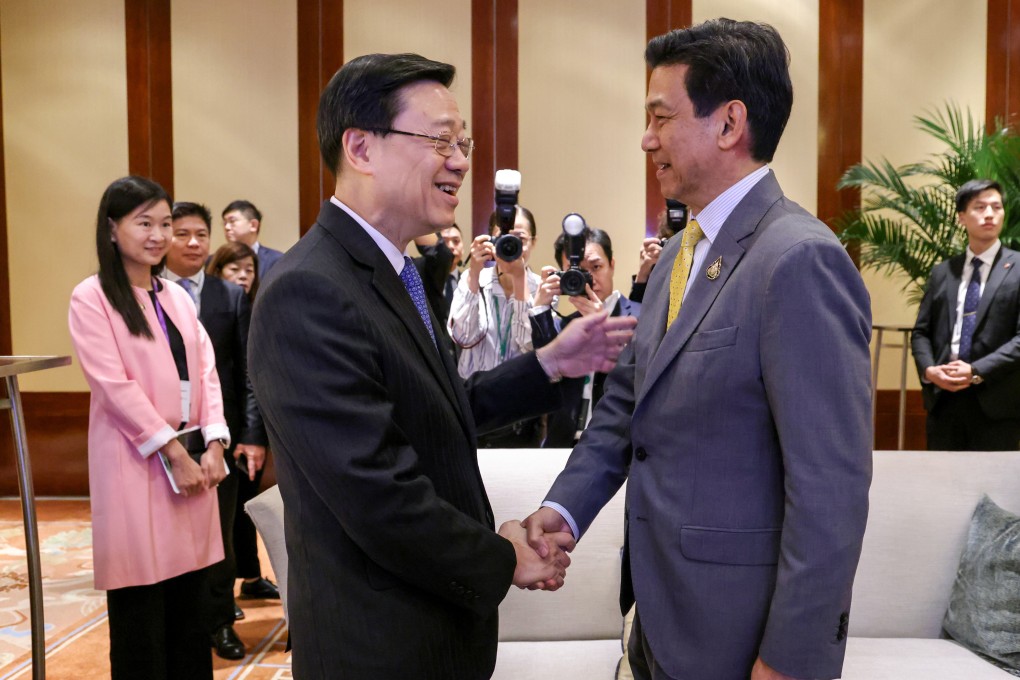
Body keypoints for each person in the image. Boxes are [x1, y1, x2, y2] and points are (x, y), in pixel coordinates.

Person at [246, 52, 636, 679]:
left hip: (436, 635)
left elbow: (435, 407)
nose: (460, 159)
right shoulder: (307, 290)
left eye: (464, 142)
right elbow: (379, 495)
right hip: (379, 647)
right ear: (360, 148)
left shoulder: (394, 271)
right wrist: (503, 558)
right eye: (439, 140)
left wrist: (547, 365)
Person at [522, 19, 873, 680]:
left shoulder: (799, 261)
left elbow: (830, 491)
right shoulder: (680, 255)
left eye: (660, 116)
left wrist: (792, 660)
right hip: (655, 614)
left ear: (729, 123)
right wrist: (563, 509)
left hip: (739, 634)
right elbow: (626, 411)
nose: (646, 139)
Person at [68, 176, 228, 679]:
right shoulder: (92, 297)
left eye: (165, 224)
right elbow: (113, 386)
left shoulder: (177, 297)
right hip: (137, 465)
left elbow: (205, 369)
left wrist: (216, 441)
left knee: (189, 607)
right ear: (113, 229)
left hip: (193, 462)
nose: (159, 236)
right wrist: (173, 453)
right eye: (145, 224)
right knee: (142, 608)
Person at [164, 201, 268, 659]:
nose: (191, 242)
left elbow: (246, 371)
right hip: (163, 432)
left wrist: (249, 433)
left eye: (199, 235)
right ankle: (178, 621)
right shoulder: (148, 295)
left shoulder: (229, 296)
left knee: (220, 534)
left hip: (217, 432)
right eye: (181, 233)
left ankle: (220, 621)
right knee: (168, 533)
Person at [911, 178, 1020, 450]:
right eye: (980, 207)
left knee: (993, 491)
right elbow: (921, 332)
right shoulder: (943, 272)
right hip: (944, 401)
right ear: (961, 217)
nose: (989, 214)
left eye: (996, 207)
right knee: (943, 487)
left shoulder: (1018, 268)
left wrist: (975, 370)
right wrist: (929, 370)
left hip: (996, 403)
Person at [206, 240, 282, 606]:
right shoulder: (208, 308)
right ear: (217, 272)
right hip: (218, 424)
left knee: (243, 508)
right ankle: (221, 598)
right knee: (222, 515)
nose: (242, 277)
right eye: (233, 270)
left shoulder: (257, 307)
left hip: (251, 422)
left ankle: (250, 577)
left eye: (249, 270)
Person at [530, 227, 641, 446]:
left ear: (612, 265)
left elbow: (639, 376)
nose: (589, 280)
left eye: (595, 267)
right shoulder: (562, 325)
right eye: (578, 272)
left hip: (616, 444)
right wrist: (540, 309)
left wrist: (605, 326)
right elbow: (545, 380)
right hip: (561, 444)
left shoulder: (641, 314)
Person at [449, 207, 544, 446]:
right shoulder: (474, 280)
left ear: (533, 242)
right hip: (473, 410)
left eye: (520, 239)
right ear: (491, 240)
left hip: (520, 418)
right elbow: (462, 336)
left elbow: (530, 346)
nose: (512, 246)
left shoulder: (541, 288)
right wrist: (473, 273)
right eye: (504, 237)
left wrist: (520, 279)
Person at [222, 199, 284, 277]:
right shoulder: (214, 260)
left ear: (253, 225)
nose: (226, 227)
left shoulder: (275, 259)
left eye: (232, 221)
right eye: (224, 223)